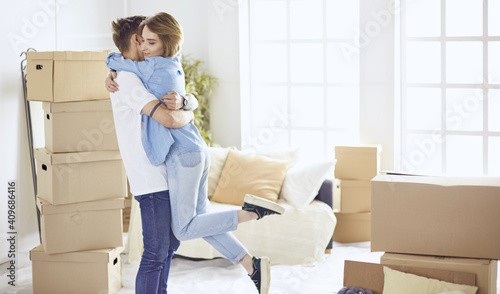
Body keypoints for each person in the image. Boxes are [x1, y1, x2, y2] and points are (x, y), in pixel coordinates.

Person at [106, 13, 285, 294]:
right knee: (174, 240)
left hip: (175, 160)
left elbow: (171, 118)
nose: (145, 47)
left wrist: (186, 108)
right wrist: (188, 105)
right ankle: (251, 265)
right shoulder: (132, 77)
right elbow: (171, 114)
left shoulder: (142, 70)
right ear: (135, 39)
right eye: (144, 41)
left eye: (152, 41)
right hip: (165, 168)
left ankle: (250, 214)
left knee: (175, 238)